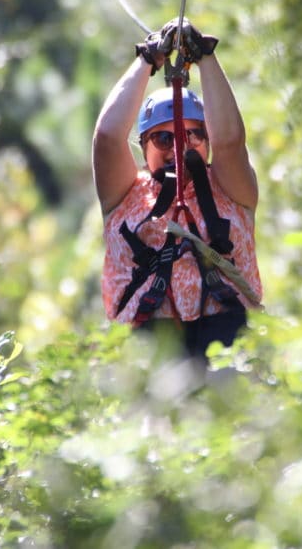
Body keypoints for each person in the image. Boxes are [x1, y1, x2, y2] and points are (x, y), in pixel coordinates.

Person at [92, 19, 262, 360]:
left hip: (226, 334)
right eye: (164, 137)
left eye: (192, 135)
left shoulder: (229, 187)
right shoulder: (126, 194)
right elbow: (108, 138)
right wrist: (147, 60)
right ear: (143, 146)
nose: (178, 147)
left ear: (207, 140)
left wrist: (205, 58)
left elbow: (230, 142)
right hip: (149, 341)